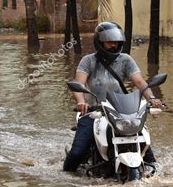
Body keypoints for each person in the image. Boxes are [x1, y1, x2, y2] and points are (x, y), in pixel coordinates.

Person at [63, 21, 163, 173]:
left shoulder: (126, 60)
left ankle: (155, 171)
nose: (113, 45)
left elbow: (140, 82)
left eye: (116, 42)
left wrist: (152, 98)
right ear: (99, 42)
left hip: (120, 111)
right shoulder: (88, 61)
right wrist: (81, 102)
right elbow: (79, 84)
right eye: (109, 42)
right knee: (77, 152)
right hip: (93, 112)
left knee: (145, 146)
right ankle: (65, 175)